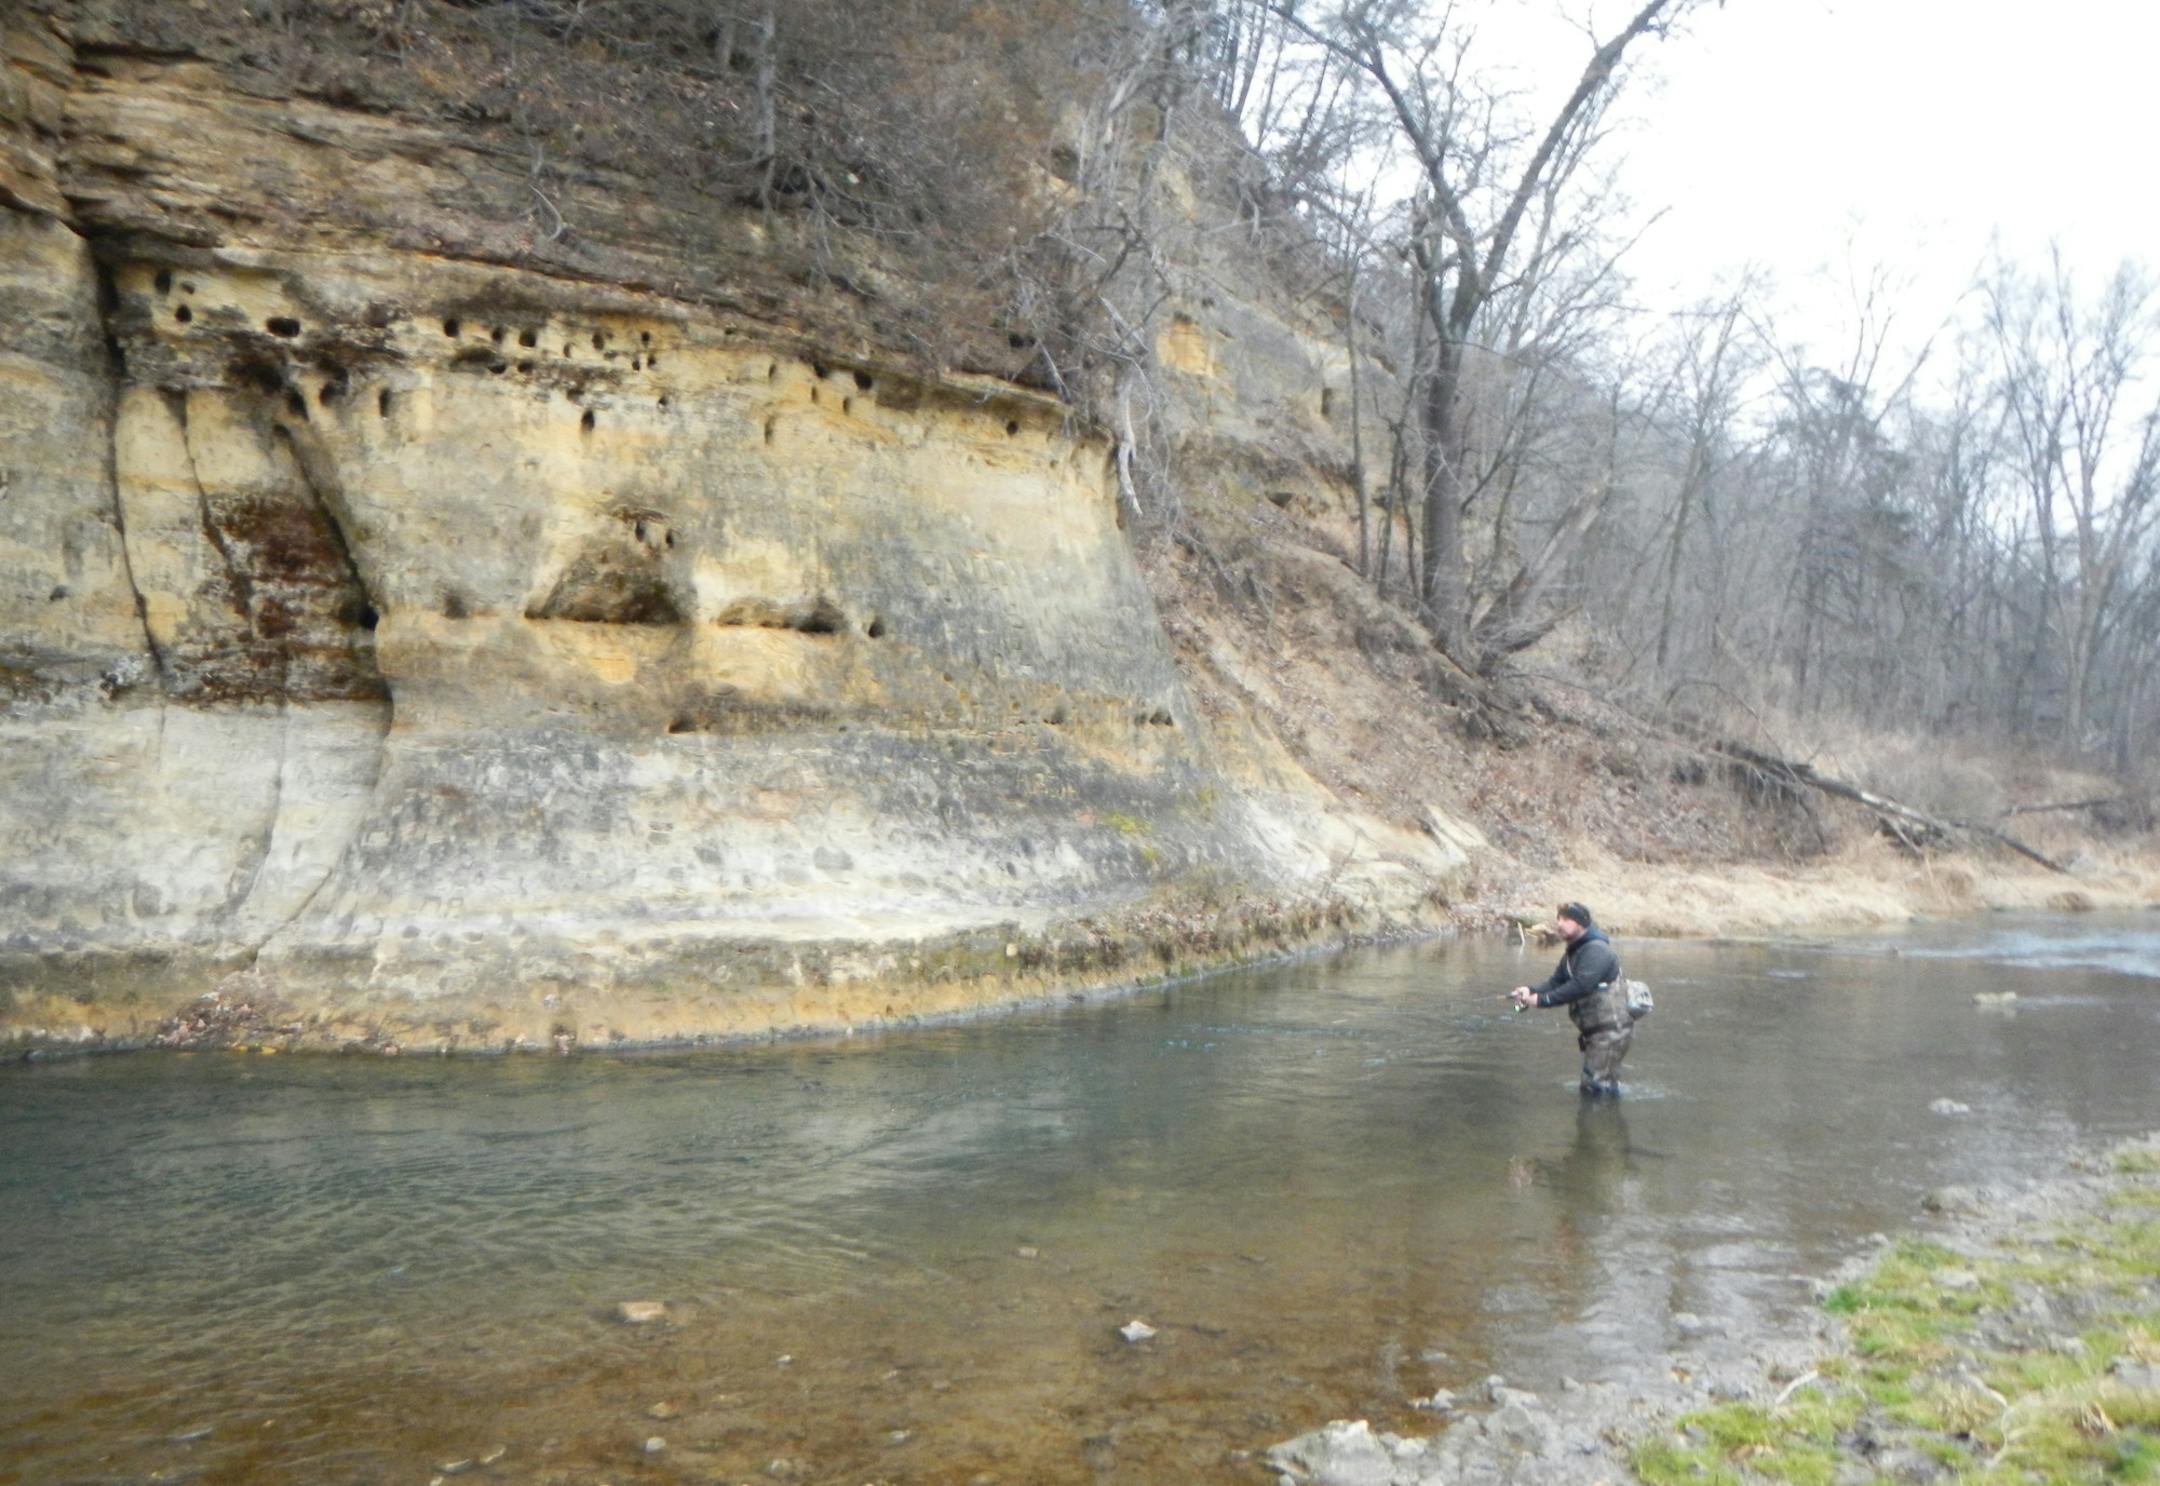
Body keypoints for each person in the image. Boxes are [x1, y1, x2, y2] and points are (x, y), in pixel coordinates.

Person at [1509, 902, 1632, 1096]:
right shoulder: (1573, 953)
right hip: (1596, 1032)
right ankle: (1604, 1123)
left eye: (1566, 919)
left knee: (1595, 1090)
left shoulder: (1597, 951)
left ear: (1581, 923)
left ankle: (1601, 1124)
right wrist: (1529, 990)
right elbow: (1556, 981)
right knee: (1597, 1087)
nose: (1559, 924)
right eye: (1558, 919)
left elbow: (1581, 986)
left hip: (1610, 1032)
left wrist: (1541, 1000)